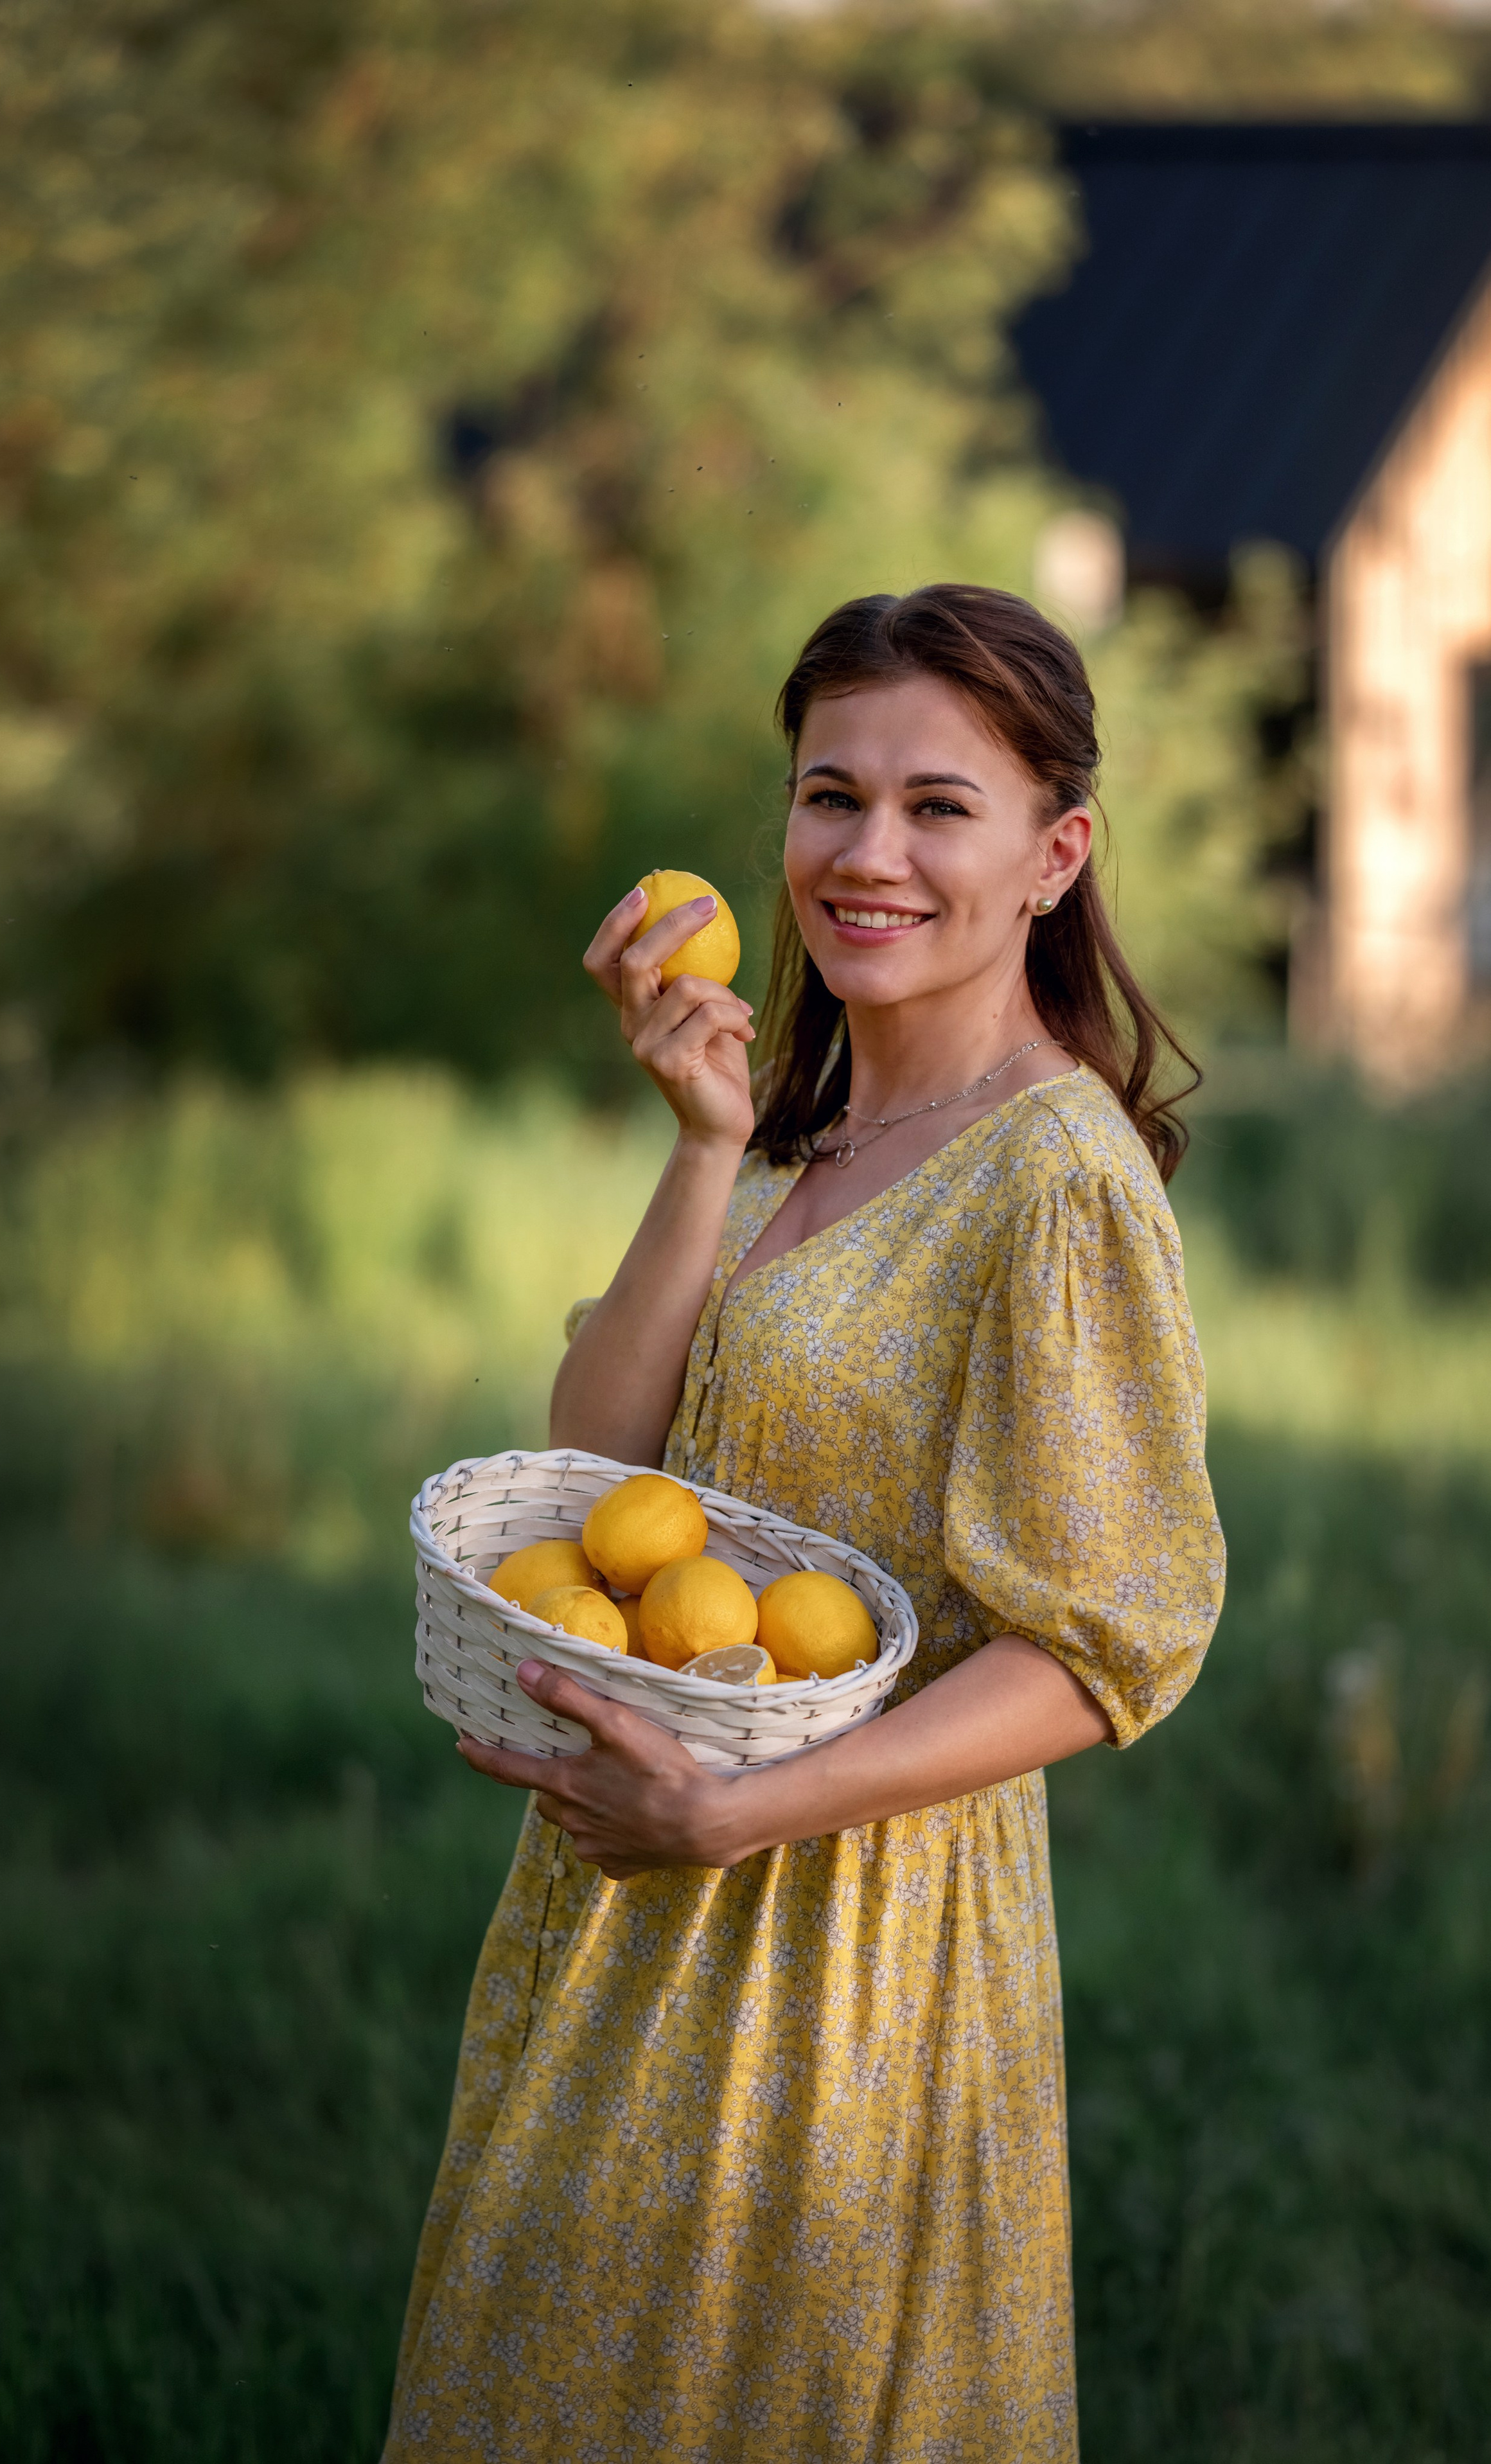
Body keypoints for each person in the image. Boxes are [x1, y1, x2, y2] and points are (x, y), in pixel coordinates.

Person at [383, 583, 1224, 2463]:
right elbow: (606, 1462)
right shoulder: (799, 1135)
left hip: (846, 1931)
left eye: (940, 807)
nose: (868, 854)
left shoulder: (1057, 1178)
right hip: (641, 1884)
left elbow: (1107, 1644)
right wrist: (704, 1140)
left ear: (1055, 856)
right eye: (831, 794)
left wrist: (741, 1813)